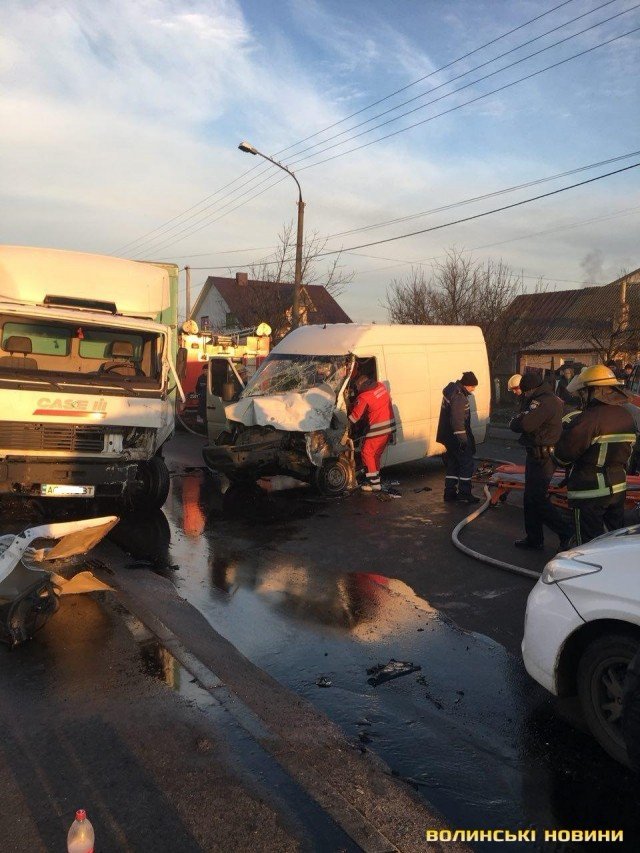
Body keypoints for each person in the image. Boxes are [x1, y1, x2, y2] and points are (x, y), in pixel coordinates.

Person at [553, 365, 636, 544]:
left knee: (588, 545)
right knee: (613, 542)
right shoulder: (627, 416)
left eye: (583, 391)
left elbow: (562, 456)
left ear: (594, 390)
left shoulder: (588, 419)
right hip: (617, 489)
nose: (582, 396)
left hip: (589, 493)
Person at [508, 373, 573, 551]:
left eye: (525, 391)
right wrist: (519, 419)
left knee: (537, 498)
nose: (524, 394)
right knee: (530, 498)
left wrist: (519, 420)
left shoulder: (545, 402)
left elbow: (525, 424)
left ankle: (566, 532)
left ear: (532, 389)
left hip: (544, 457)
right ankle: (534, 538)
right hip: (536, 454)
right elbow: (520, 421)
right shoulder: (540, 399)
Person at [436, 371, 479, 504]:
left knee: (453, 464)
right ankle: (465, 493)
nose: (473, 390)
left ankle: (449, 493)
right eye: (473, 387)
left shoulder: (452, 391)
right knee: (466, 464)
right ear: (467, 385)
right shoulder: (459, 397)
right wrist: (463, 441)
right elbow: (457, 421)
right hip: (457, 438)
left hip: (449, 437)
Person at [348, 374, 396, 492]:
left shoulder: (364, 396)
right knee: (375, 455)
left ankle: (373, 484)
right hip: (389, 427)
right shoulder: (380, 386)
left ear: (360, 384)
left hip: (378, 429)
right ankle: (376, 479)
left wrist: (346, 418)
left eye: (356, 387)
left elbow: (354, 418)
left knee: (367, 452)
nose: (356, 389)